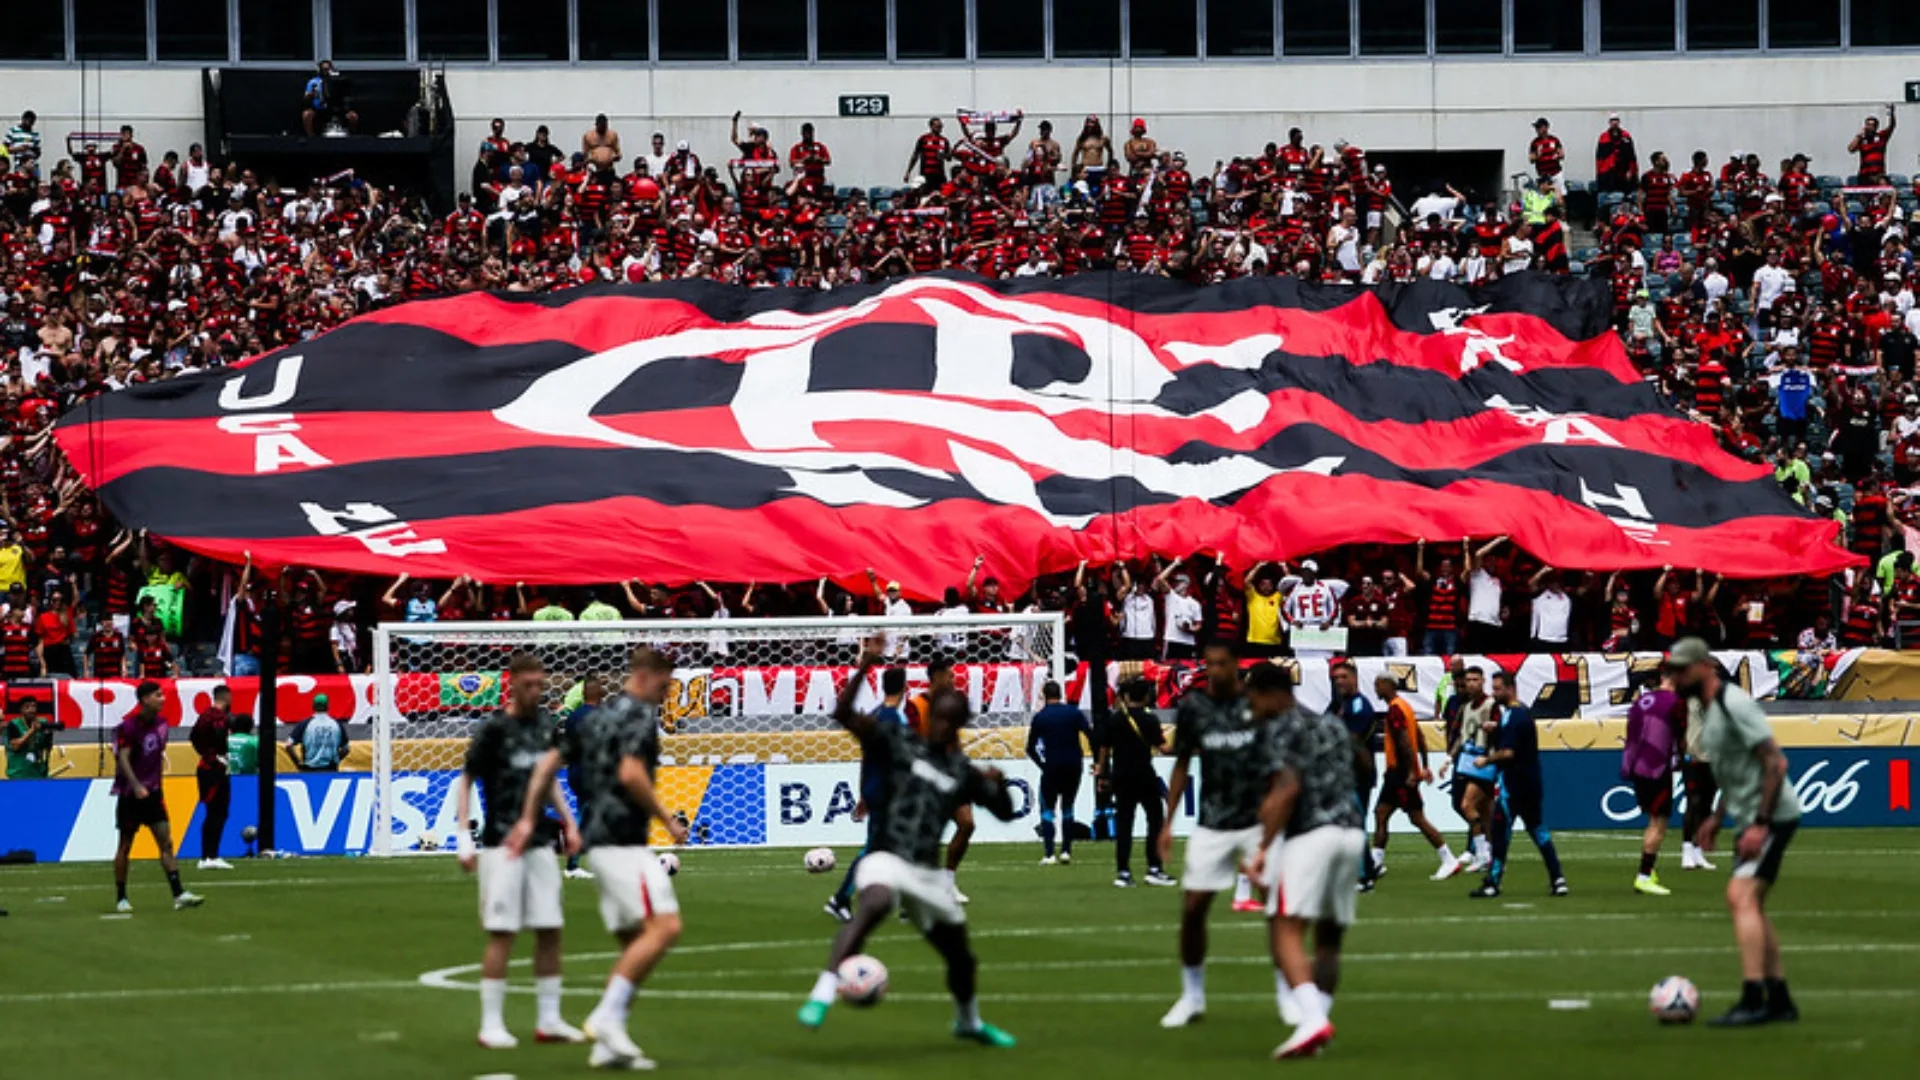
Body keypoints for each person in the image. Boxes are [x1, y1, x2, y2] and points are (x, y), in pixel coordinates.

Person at [797, 638, 1019, 1048]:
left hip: (926, 873)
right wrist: (865, 665)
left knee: (961, 956)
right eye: (939, 717)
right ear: (930, 716)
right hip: (885, 854)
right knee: (876, 904)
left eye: (952, 720)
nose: (943, 726)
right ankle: (822, 994)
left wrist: (1000, 784)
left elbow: (1005, 813)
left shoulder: (962, 771)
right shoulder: (901, 742)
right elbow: (843, 713)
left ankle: (968, 1022)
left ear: (960, 723)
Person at [510, 647, 690, 1069]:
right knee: (665, 928)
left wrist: (527, 816)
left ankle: (608, 1046)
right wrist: (668, 820)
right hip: (623, 841)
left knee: (634, 945)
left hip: (599, 841)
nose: (666, 694)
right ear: (647, 676)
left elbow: (546, 765)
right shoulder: (640, 717)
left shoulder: (593, 718)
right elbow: (631, 773)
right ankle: (605, 1018)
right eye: (665, 685)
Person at [1667, 636, 1802, 1026]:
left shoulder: (1733, 703)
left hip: (1773, 817)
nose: (1675, 678)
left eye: (1681, 670)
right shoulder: (1704, 709)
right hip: (1751, 817)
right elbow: (1733, 770)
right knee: (1751, 903)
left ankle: (1752, 997)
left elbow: (1775, 763)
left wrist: (1760, 825)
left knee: (1740, 895)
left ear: (1704, 667)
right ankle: (1778, 1000)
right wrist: (1717, 817)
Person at [456, 653, 586, 1050]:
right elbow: (465, 780)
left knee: (550, 928)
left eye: (540, 684)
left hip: (541, 843)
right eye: (529, 684)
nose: (536, 691)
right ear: (511, 683)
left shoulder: (546, 726)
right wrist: (463, 836)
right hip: (501, 842)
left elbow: (548, 780)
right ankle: (491, 1023)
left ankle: (549, 1020)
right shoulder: (494, 729)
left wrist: (569, 821)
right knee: (503, 932)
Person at [1244, 663, 1364, 1061]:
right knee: (1329, 939)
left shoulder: (1281, 728)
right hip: (1351, 833)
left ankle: (1311, 1018)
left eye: (1254, 698)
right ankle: (1316, 1024)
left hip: (1311, 834)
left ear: (1270, 693)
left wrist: (1261, 849)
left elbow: (1286, 789)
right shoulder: (1330, 724)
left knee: (1284, 926)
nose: (1252, 707)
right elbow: (1366, 763)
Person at [1156, 641, 1271, 1029]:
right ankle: (1192, 996)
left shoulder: (1258, 705)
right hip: (1212, 821)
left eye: (1222, 664)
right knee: (1192, 910)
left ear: (1237, 665)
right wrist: (1167, 823)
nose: (1216, 671)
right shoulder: (1193, 708)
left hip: (1257, 820)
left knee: (1279, 910)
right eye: (1210, 664)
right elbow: (1182, 764)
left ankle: (1289, 995)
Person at [1469, 672, 1568, 899]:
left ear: (1510, 689)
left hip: (1513, 786)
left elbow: (1509, 752)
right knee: (1538, 830)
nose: (1494, 694)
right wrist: (1497, 729)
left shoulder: (1514, 716)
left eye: (1497, 689)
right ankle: (1558, 878)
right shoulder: (1520, 713)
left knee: (1500, 832)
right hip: (1531, 783)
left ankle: (1493, 882)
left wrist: (1486, 760)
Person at [825, 666, 910, 921]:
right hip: (888, 793)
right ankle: (840, 898)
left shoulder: (873, 716)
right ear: (904, 688)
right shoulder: (895, 720)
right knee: (878, 849)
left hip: (875, 789)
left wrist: (863, 793)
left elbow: (867, 759)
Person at [112, 681, 204, 913]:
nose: (163, 699)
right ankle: (121, 896)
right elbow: (122, 757)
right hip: (130, 794)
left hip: (153, 793)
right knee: (125, 844)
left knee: (166, 842)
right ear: (144, 699)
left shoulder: (163, 724)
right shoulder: (129, 727)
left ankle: (178, 893)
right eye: (158, 695)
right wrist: (135, 785)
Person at [1370, 675, 1460, 882]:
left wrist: (1412, 772)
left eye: (1378, 684)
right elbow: (1419, 737)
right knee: (1381, 813)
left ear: (1387, 685)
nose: (1376, 688)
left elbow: (1404, 742)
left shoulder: (1395, 709)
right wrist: (1424, 765)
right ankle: (1375, 863)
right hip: (1400, 772)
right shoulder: (1405, 706)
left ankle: (1448, 859)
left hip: (1400, 773)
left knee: (1417, 818)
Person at [907, 655, 974, 903]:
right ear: (936, 677)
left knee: (967, 824)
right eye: (949, 675)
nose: (953, 679)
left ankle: (948, 882)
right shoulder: (915, 705)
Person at [1098, 678, 1174, 888]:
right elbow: (1164, 748)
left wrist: (1102, 774)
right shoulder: (1150, 720)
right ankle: (1154, 868)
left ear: (1126, 696)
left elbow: (1104, 748)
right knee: (1155, 820)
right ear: (1147, 697)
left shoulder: (1114, 719)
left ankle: (1123, 871)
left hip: (1121, 776)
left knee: (1124, 824)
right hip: (1144, 775)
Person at [1622, 669, 1686, 897]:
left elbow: (1631, 734)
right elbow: (1682, 736)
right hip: (1658, 768)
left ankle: (1650, 872)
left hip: (1637, 766)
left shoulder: (1641, 701)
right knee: (1659, 823)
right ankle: (1644, 876)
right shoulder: (1675, 703)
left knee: (1653, 819)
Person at [1026, 681, 1092, 866]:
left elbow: (1030, 747)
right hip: (1073, 765)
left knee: (1048, 809)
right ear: (1061, 694)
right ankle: (1066, 851)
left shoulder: (1041, 717)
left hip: (1052, 766)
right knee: (1068, 807)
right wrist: (1096, 761)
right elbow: (1091, 734)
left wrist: (1042, 765)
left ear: (1045, 696)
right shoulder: (1074, 713)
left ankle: (1049, 854)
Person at [1442, 666, 1496, 874]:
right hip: (1468, 760)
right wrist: (1448, 758)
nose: (1471, 683)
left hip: (1485, 762)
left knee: (1467, 805)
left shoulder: (1491, 705)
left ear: (1483, 681)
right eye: (1469, 680)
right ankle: (1489, 852)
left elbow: (1503, 729)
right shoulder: (1465, 708)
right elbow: (1462, 737)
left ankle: (1482, 853)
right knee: (1484, 810)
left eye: (1475, 679)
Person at [189, 685, 236, 871]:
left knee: (212, 812)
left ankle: (206, 855)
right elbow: (219, 737)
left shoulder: (204, 716)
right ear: (227, 697)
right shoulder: (219, 718)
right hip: (215, 769)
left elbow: (193, 737)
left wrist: (205, 753)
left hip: (205, 766)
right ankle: (211, 855)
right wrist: (218, 755)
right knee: (219, 811)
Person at [287, 693, 346, 771]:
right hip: (330, 770)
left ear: (313, 706)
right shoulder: (337, 725)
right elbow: (346, 749)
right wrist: (337, 760)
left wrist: (298, 764)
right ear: (327, 707)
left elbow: (288, 746)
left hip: (310, 769)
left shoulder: (305, 724)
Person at [301, 60, 358, 137]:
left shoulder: (338, 81)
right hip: (319, 109)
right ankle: (311, 138)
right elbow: (306, 96)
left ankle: (351, 137)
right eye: (323, 69)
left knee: (353, 116)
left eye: (327, 69)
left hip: (336, 108)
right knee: (307, 115)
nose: (325, 72)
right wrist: (313, 94)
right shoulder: (313, 82)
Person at [5, 696, 54, 779]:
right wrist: (32, 731)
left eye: (34, 706)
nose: (31, 710)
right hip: (19, 774)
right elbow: (15, 746)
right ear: (21, 710)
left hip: (38, 773)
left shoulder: (42, 723)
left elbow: (47, 747)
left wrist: (48, 734)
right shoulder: (14, 725)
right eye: (27, 707)